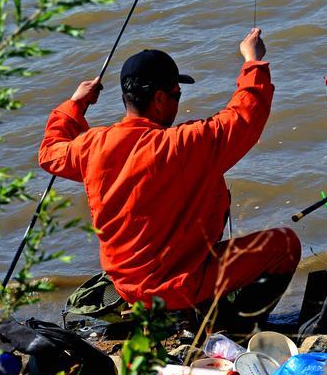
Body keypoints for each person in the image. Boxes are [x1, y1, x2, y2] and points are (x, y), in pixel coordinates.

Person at [38, 28, 301, 325]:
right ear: (160, 100)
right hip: (176, 286)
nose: (178, 101)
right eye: (177, 94)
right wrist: (252, 60)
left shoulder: (92, 146)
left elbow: (49, 152)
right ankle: (232, 328)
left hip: (125, 287)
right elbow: (245, 116)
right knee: (285, 245)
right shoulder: (184, 144)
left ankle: (182, 313)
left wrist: (76, 103)